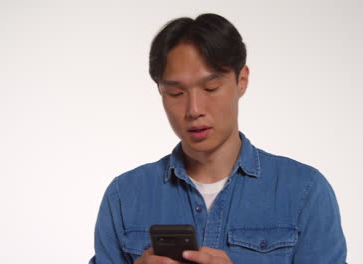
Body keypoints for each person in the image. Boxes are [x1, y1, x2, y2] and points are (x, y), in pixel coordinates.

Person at [89, 13, 347, 264]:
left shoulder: (304, 191)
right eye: (176, 93)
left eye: (210, 88)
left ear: (242, 80)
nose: (194, 109)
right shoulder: (124, 196)